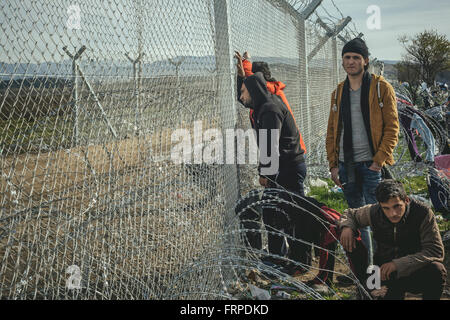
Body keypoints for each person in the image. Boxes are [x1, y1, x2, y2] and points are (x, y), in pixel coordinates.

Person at [326, 38, 400, 267]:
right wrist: (333, 164)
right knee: (357, 219)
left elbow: (392, 126)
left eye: (356, 58)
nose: (351, 62)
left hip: (371, 165)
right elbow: (331, 131)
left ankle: (384, 265)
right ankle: (365, 267)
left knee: (378, 217)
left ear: (365, 61)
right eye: (347, 57)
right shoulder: (339, 92)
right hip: (347, 165)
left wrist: (378, 161)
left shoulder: (380, 87)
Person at [240, 72, 308, 275]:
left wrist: (266, 175)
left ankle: (298, 262)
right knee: (272, 213)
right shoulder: (264, 105)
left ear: (253, 92)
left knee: (291, 216)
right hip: (282, 168)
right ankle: (279, 257)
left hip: (287, 169)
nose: (241, 97)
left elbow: (271, 147)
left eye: (243, 92)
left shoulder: (269, 110)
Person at [339, 180, 447, 300]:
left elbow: (435, 250)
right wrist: (347, 227)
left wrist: (398, 264)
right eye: (386, 208)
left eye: (397, 206)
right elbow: (350, 214)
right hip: (383, 272)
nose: (392, 213)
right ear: (380, 205)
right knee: (370, 295)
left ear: (406, 200)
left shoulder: (422, 213)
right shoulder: (374, 212)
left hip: (414, 270)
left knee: (437, 270)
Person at [235, 51, 307, 154]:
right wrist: (241, 76)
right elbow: (242, 99)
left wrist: (245, 62)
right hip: (285, 153)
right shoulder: (261, 98)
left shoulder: (271, 93)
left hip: (291, 154)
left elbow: (252, 77)